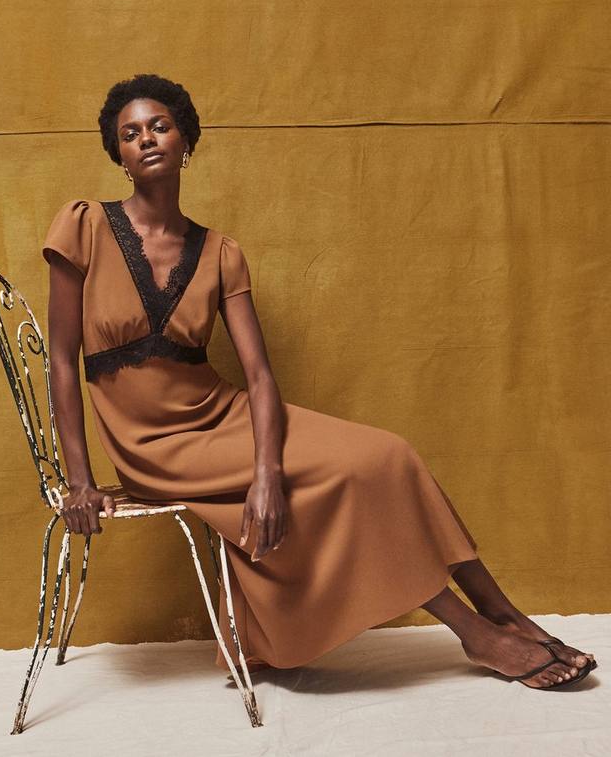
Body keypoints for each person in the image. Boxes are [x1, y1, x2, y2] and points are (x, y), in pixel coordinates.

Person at [42, 73, 597, 690]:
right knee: (345, 481)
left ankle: (504, 612)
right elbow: (62, 359)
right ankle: (477, 634)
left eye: (159, 126)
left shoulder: (221, 252)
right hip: (155, 445)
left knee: (388, 455)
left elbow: (259, 375)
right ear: (118, 154)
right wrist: (80, 480)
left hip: (224, 412)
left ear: (186, 141)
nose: (146, 139)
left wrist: (267, 473)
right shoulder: (84, 226)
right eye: (130, 134)